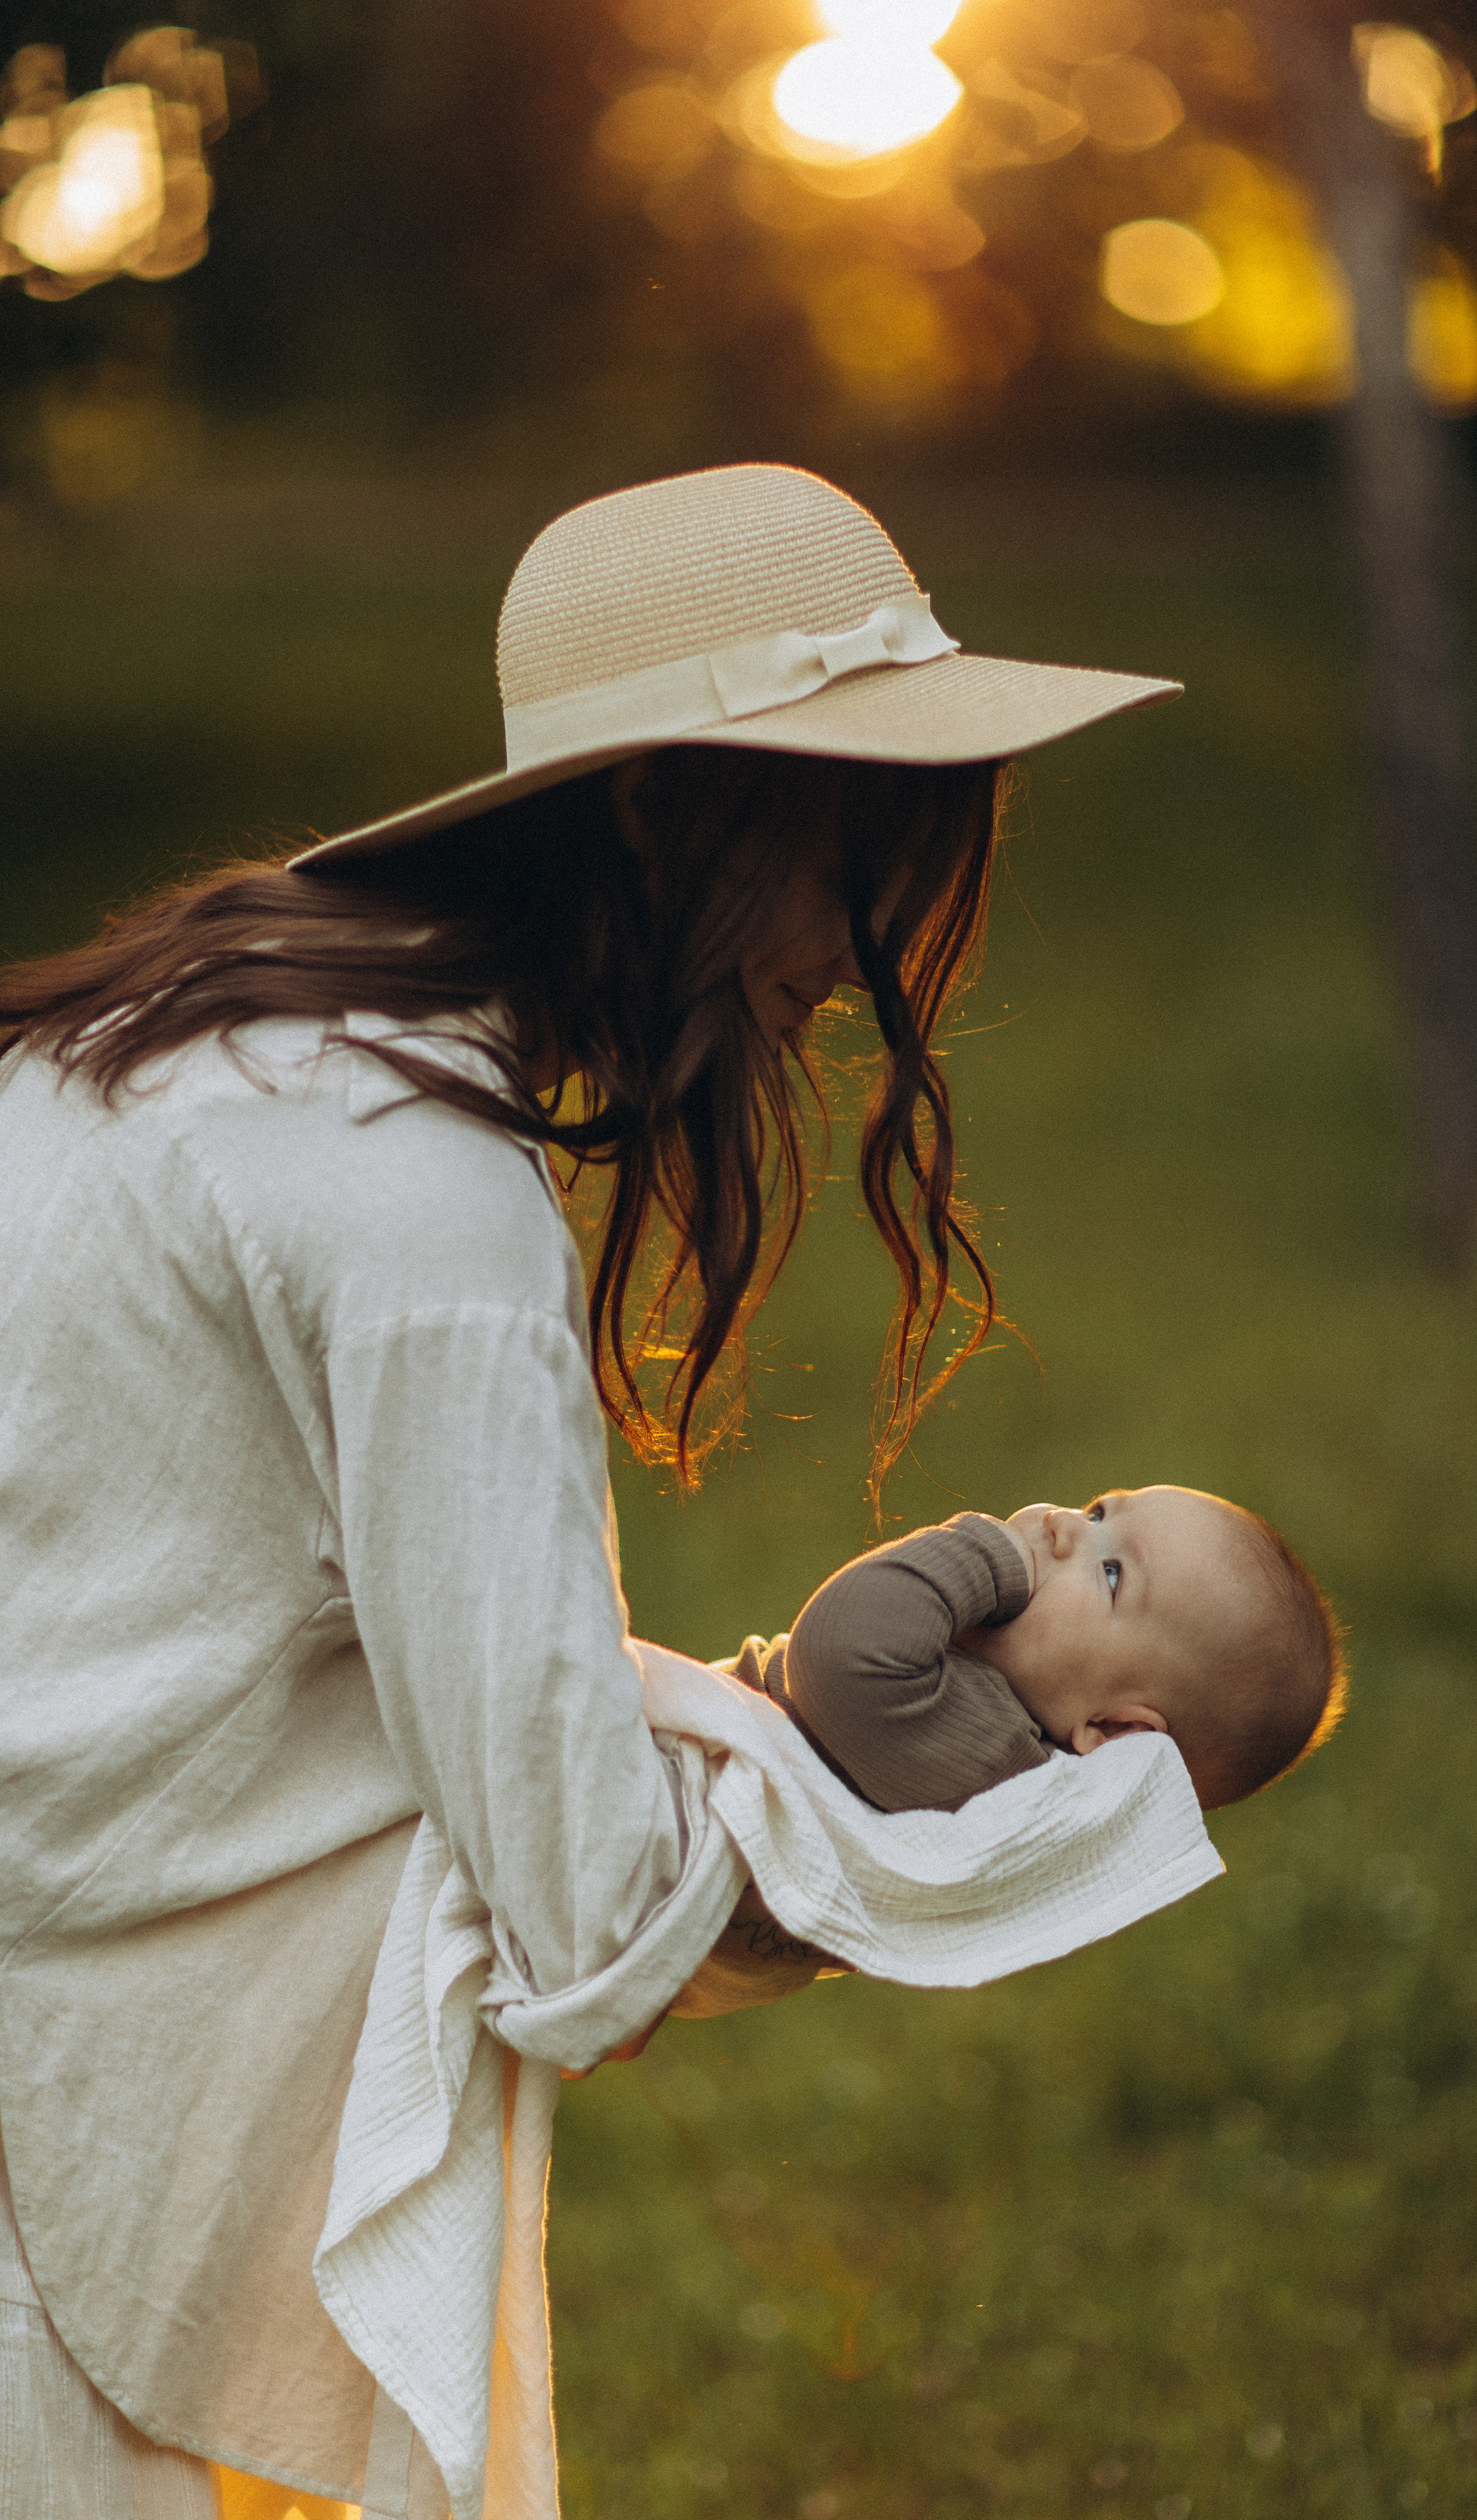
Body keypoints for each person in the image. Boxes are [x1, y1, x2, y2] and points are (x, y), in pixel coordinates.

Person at [0, 464, 1187, 2520]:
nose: (872, 939)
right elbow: (585, 1904)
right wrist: (927, 1780)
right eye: (847, 841)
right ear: (651, 813)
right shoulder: (419, 1209)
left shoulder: (199, 1025)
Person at [727, 1487, 1347, 1816]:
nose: (1065, 1525)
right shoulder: (992, 1701)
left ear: (1114, 1728)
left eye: (1110, 1573)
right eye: (1098, 1510)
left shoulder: (996, 1760)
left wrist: (987, 1556)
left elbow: (837, 1654)